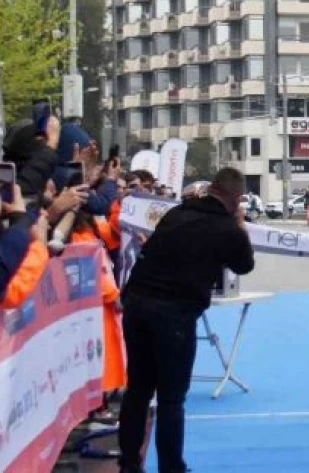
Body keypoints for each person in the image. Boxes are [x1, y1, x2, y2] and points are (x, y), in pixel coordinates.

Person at [117, 167, 256, 473]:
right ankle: (171, 467)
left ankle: (128, 463)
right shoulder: (227, 228)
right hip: (174, 314)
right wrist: (240, 225)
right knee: (171, 398)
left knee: (138, 389)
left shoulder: (176, 214)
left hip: (138, 304)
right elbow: (244, 265)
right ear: (235, 198)